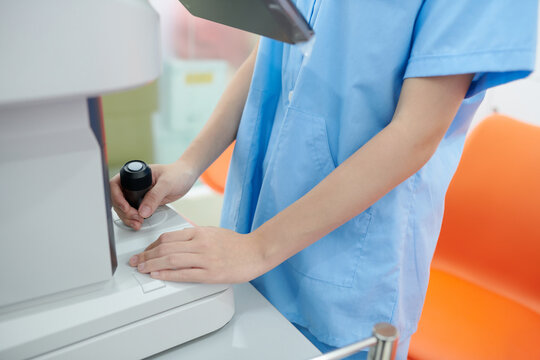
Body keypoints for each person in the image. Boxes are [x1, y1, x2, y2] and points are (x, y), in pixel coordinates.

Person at [110, 1, 537, 358]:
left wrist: (258, 249)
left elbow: (416, 133)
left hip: (347, 265)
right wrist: (189, 164)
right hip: (256, 231)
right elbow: (276, 50)